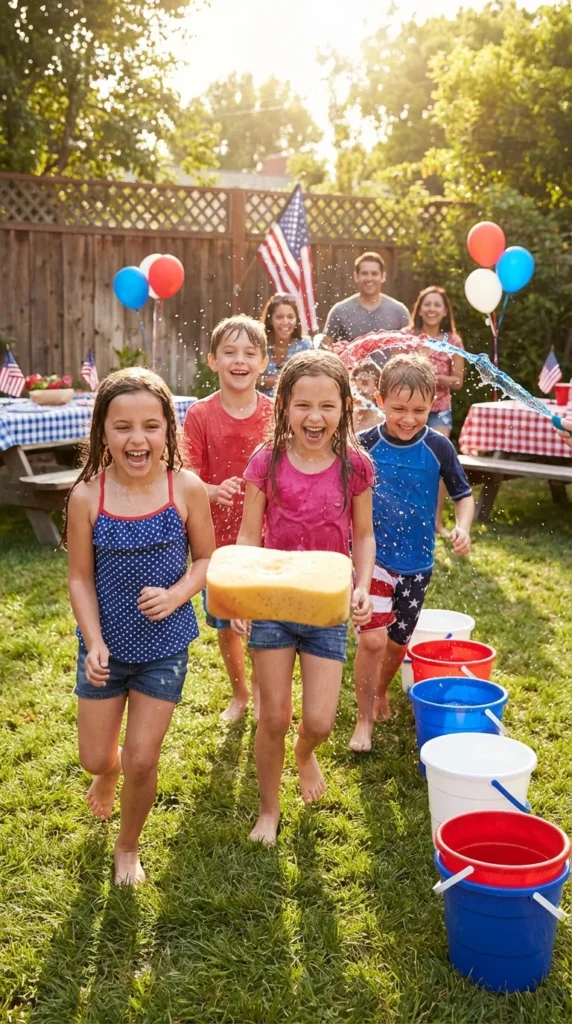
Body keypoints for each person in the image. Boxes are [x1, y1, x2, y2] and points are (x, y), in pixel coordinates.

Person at [65, 367, 214, 884]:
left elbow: (206, 561)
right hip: (105, 650)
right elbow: (80, 580)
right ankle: (105, 777)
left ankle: (127, 847)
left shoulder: (185, 488)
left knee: (142, 759)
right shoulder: (88, 496)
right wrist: (94, 641)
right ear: (102, 433)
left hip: (163, 648)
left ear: (168, 431)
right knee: (95, 758)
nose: (137, 438)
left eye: (151, 426)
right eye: (122, 426)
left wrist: (176, 594)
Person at [231, 350, 376, 845]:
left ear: (345, 408)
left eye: (327, 406)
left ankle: (305, 751)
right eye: (303, 406)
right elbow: (249, 536)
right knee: (273, 716)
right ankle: (268, 810)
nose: (315, 418)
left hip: (326, 608)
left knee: (317, 720)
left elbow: (363, 534)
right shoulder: (265, 462)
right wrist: (243, 595)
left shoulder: (355, 466)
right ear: (283, 407)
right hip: (272, 602)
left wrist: (361, 586)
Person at [350, 355, 475, 752]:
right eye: (399, 408)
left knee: (397, 643)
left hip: (417, 564)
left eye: (419, 410)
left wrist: (463, 527)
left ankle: (381, 690)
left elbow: (464, 496)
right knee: (371, 641)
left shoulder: (438, 446)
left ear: (433, 403)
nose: (408, 419)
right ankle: (363, 717)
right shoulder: (366, 443)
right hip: (374, 559)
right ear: (380, 399)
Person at [183, 314, 273, 721]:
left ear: (263, 362)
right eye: (230, 352)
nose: (240, 360)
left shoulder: (276, 413)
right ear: (212, 360)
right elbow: (183, 477)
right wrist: (213, 491)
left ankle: (261, 688)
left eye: (249, 353)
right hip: (217, 543)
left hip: (269, 539)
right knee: (225, 623)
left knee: (263, 622)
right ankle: (239, 692)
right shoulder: (200, 415)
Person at [410, 286, 465, 537]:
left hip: (439, 411)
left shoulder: (453, 341)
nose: (431, 309)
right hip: (409, 411)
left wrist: (434, 377)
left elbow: (458, 381)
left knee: (438, 464)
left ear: (444, 312)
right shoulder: (407, 336)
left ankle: (436, 522)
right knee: (409, 463)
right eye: (427, 304)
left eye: (437, 305)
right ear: (419, 309)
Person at [323, 252, 409, 349]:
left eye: (374, 273)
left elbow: (410, 349)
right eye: (364, 273)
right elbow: (325, 349)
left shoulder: (399, 311)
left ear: (383, 276)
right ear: (356, 276)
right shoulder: (340, 311)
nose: (369, 278)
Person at [258, 293, 313, 395]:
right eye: (279, 317)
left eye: (290, 317)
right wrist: (286, 379)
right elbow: (251, 379)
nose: (285, 322)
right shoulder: (259, 345)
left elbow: (308, 380)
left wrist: (268, 380)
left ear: (296, 320)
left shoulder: (305, 346)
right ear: (270, 320)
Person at [351, 360, 385, 433]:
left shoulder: (381, 420)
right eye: (355, 382)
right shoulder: (348, 416)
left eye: (364, 382)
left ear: (377, 386)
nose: (359, 387)